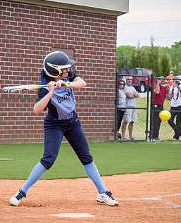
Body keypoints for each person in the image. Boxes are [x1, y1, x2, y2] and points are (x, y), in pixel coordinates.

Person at [8, 51, 119, 207]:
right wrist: (51, 91)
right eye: (64, 69)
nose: (67, 71)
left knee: (86, 157)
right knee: (48, 160)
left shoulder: (69, 77)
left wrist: (66, 83)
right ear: (54, 71)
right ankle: (21, 193)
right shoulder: (45, 87)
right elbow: (37, 110)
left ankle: (103, 192)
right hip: (54, 125)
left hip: (73, 122)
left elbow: (82, 83)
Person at [120, 76, 139, 141]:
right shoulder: (125, 87)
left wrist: (133, 94)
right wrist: (133, 94)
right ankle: (123, 136)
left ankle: (130, 136)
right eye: (128, 79)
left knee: (132, 121)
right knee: (125, 121)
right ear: (126, 80)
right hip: (127, 106)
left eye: (131, 79)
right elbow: (129, 96)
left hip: (134, 106)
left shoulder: (132, 88)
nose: (129, 80)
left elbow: (138, 95)